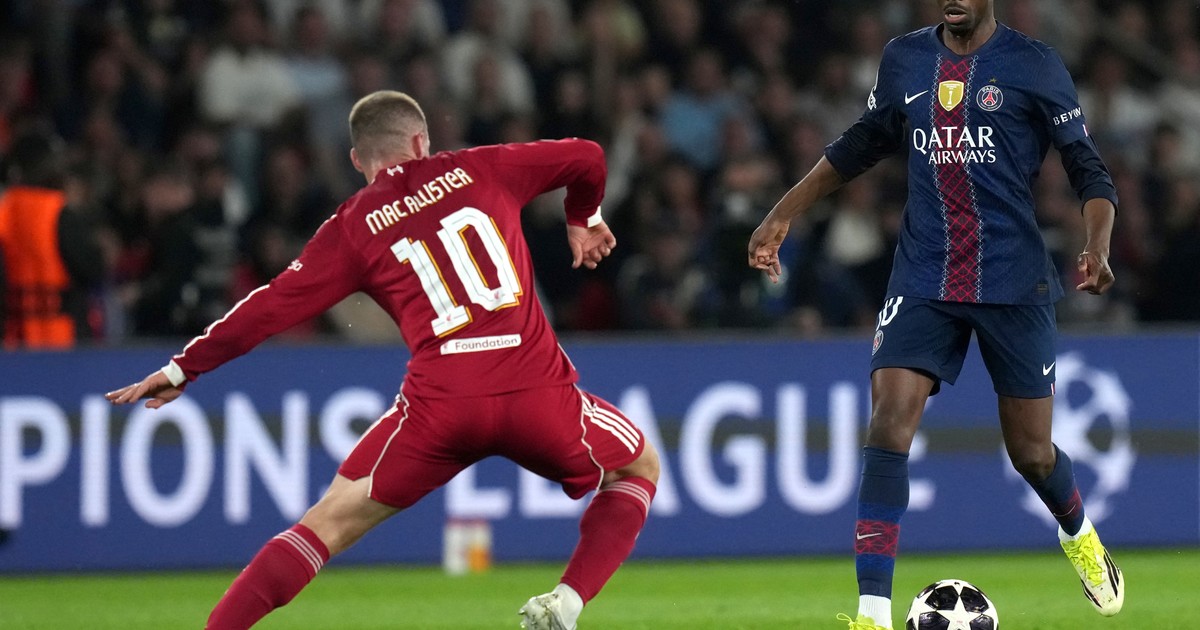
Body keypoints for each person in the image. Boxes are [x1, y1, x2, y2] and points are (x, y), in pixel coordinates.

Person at [106, 90, 659, 630]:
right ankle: (566, 601)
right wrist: (581, 216)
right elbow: (588, 156)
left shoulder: (354, 225)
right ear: (420, 141)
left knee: (326, 523)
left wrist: (183, 369)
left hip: (442, 407)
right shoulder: (481, 168)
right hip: (535, 394)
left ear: (356, 160)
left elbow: (269, 308)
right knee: (639, 468)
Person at [746, 2, 1123, 628]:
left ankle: (1079, 533)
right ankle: (872, 614)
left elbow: (1088, 168)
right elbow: (862, 142)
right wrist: (783, 211)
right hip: (925, 274)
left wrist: (1098, 245)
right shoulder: (905, 58)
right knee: (888, 425)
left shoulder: (1033, 64)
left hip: (1011, 278)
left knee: (1031, 453)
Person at [0, 127, 105, 348]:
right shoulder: (59, 213)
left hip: (13, 341)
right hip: (63, 338)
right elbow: (93, 269)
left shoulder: (4, 211)